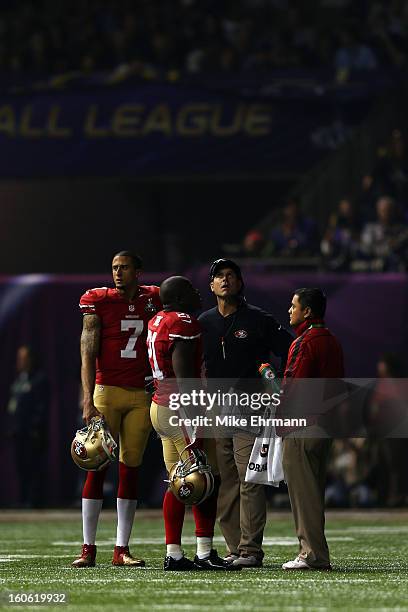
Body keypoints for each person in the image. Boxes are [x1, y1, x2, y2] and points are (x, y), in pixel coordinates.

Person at [199, 259, 292, 567]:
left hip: (248, 404)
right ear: (211, 286)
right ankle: (234, 547)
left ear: (240, 283)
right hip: (215, 406)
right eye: (219, 276)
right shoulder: (204, 323)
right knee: (224, 479)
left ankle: (250, 550)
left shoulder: (258, 319)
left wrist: (274, 380)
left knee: (249, 476)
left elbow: (290, 349)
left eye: (231, 275)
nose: (225, 280)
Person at [72, 251, 161, 568]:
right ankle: (88, 548)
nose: (118, 273)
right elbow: (87, 348)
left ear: (139, 271)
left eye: (124, 268)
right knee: (95, 466)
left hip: (140, 393)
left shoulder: (155, 297)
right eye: (114, 268)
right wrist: (88, 397)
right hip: (106, 391)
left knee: (131, 468)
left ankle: (121, 549)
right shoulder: (97, 300)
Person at [148, 275, 240, 571]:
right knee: (206, 478)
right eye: (189, 289)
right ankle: (203, 552)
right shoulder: (182, 322)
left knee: (177, 481)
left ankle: (174, 553)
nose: (196, 291)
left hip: (161, 407)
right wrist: (199, 414)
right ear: (178, 297)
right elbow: (185, 376)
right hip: (181, 409)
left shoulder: (159, 319)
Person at [281, 287, 344, 570]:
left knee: (304, 494)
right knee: (313, 493)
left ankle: (311, 554)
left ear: (307, 311)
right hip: (324, 426)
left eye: (294, 306)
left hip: (302, 427)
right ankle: (315, 552)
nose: (290, 310)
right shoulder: (331, 340)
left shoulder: (304, 342)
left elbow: (294, 387)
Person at [7, 345, 49, 508]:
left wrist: (35, 427)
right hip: (18, 433)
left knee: (34, 468)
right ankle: (23, 500)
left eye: (24, 358)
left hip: (33, 434)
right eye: (19, 358)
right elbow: (13, 406)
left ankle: (34, 501)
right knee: (21, 467)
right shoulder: (18, 380)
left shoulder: (39, 379)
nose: (20, 361)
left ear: (31, 359)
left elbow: (42, 407)